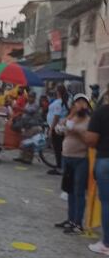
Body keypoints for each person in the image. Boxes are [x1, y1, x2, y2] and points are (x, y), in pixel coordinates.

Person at [53, 94, 91, 235]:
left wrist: (75, 129)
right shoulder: (71, 117)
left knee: (78, 191)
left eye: (83, 102)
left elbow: (88, 138)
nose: (80, 105)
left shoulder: (88, 121)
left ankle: (78, 223)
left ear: (87, 106)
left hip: (81, 158)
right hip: (67, 157)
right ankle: (70, 219)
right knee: (69, 190)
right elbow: (58, 129)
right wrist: (69, 117)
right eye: (77, 102)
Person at [86, 96, 109, 256]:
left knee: (107, 202)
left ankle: (106, 244)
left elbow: (92, 140)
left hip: (105, 159)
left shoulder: (101, 112)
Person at [47, 85, 70, 175]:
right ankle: (61, 166)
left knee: (58, 148)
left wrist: (51, 128)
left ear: (58, 92)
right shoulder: (64, 102)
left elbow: (56, 116)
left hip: (57, 128)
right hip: (60, 128)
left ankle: (59, 167)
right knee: (60, 148)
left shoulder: (58, 103)